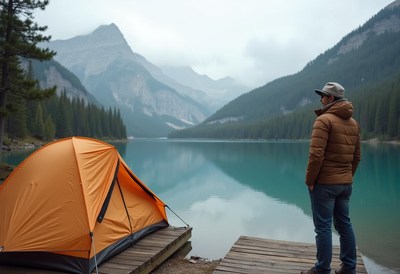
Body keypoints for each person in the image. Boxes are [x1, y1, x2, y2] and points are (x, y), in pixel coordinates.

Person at [301, 82, 361, 274]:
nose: (321, 99)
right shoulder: (354, 123)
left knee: (323, 227)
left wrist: (310, 180)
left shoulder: (323, 120)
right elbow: (357, 157)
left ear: (331, 99)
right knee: (345, 224)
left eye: (324, 96)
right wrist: (346, 176)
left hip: (325, 184)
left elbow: (316, 155)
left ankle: (322, 270)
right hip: (345, 184)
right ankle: (349, 268)